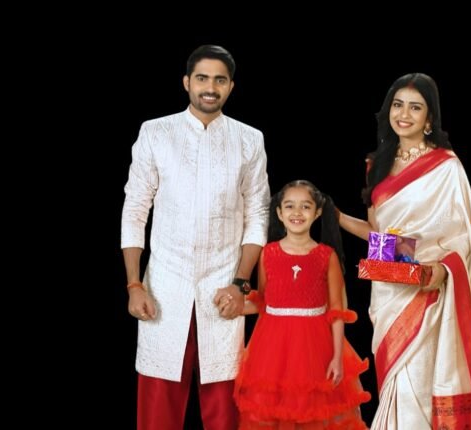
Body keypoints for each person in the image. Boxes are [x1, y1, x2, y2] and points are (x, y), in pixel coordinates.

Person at [120, 45, 270, 430]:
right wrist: (134, 284)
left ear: (231, 86)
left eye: (220, 80)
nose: (210, 87)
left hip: (224, 287)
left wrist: (239, 283)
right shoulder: (156, 132)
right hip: (164, 286)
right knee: (158, 409)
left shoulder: (249, 139)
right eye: (202, 78)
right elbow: (135, 209)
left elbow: (257, 215)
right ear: (187, 82)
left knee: (226, 408)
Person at [337, 73, 471, 429]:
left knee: (418, 383)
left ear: (429, 117)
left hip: (430, 292)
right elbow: (380, 237)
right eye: (398, 105)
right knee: (394, 381)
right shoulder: (376, 164)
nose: (404, 114)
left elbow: (463, 236)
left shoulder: (446, 167)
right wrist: (336, 216)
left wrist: (442, 269)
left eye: (415, 107)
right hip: (389, 291)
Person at [233, 180, 371, 429]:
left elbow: (336, 310)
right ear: (279, 213)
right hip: (272, 348)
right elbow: (264, 300)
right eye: (289, 206)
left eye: (306, 206)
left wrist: (337, 357)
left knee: (313, 411)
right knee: (275, 411)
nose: (297, 212)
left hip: (315, 348)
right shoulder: (268, 253)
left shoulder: (326, 256)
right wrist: (236, 306)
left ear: (317, 213)